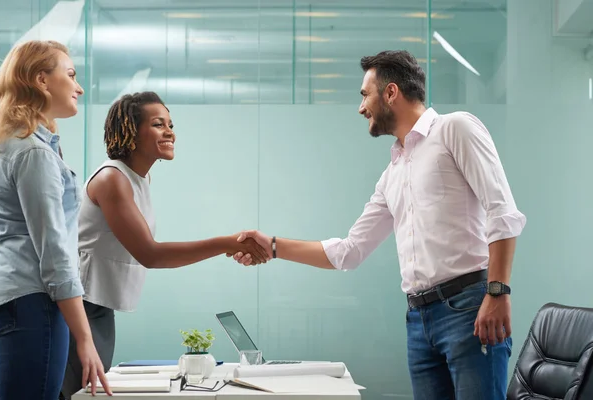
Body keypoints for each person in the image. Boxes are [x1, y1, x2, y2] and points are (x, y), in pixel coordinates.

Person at [229, 50, 526, 400]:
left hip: (468, 309)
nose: (360, 108)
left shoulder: (454, 129)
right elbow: (349, 251)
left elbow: (502, 211)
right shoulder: (393, 174)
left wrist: (497, 292)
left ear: (391, 93)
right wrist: (272, 246)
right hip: (419, 321)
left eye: (364, 95)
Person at [61, 91, 269, 399]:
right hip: (80, 309)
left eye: (170, 124)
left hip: (100, 308)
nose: (170, 131)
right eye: (159, 124)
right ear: (131, 131)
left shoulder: (137, 179)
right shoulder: (112, 180)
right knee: (75, 394)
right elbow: (150, 254)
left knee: (86, 394)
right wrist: (226, 243)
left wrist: (225, 244)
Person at [0, 40, 111, 399]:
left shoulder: (5, 145)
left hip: (6, 299)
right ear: (42, 81)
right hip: (33, 306)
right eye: (71, 75)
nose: (79, 87)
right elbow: (55, 253)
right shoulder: (33, 152)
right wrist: (85, 338)